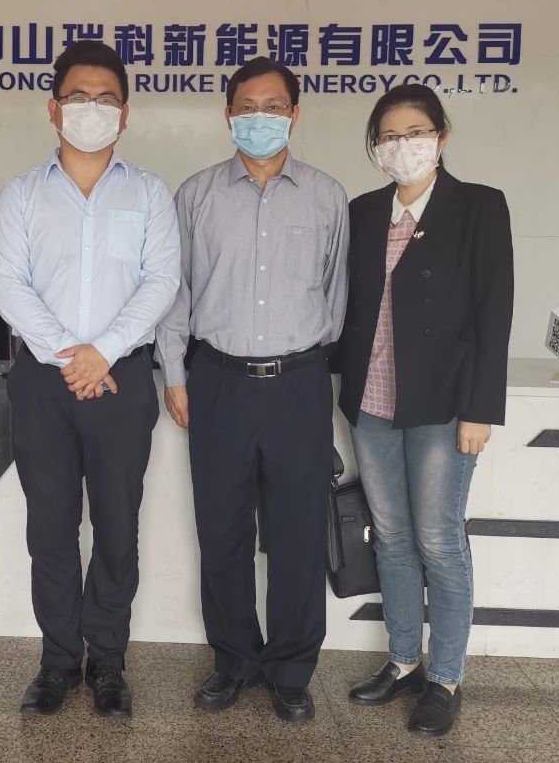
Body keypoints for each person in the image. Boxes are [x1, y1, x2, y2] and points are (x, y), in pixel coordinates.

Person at [0, 40, 181, 719]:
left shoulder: (149, 193)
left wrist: (103, 352)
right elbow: (8, 284)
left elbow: (161, 281)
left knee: (117, 528)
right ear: (53, 109)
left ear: (124, 114)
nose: (91, 109)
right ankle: (58, 662)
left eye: (105, 99)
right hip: (44, 383)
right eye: (78, 97)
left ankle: (108, 662)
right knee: (50, 528)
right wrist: (71, 357)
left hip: (121, 380)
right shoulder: (21, 194)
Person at [157, 57, 349, 724]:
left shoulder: (326, 197)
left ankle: (292, 669)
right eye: (246, 106)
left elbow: (337, 297)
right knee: (223, 530)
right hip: (217, 382)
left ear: (294, 114)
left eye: (272, 106)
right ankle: (234, 659)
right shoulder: (197, 196)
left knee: (298, 533)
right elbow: (176, 293)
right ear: (228, 114)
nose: (258, 117)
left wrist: (313, 370)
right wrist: (176, 375)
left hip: (298, 384)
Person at [337, 83, 513, 736]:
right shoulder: (363, 212)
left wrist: (480, 409)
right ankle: (404, 660)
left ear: (441, 136)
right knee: (391, 536)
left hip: (443, 404)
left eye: (415, 132)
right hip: (372, 401)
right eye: (389, 136)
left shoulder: (478, 207)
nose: (402, 145)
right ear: (375, 146)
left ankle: (445, 677)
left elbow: (494, 313)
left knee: (439, 538)